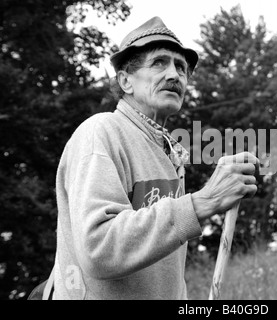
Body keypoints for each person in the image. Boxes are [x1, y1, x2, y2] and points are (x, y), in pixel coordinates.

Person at [52, 16, 258, 300]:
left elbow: (166, 269)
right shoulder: (100, 133)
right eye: (159, 62)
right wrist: (204, 201)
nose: (175, 75)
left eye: (181, 68)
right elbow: (98, 248)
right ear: (125, 81)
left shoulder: (170, 153)